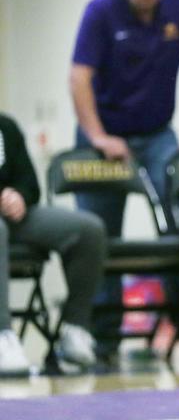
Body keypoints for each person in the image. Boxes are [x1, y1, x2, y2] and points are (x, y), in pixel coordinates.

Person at [69, 0, 179, 360]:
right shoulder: (101, 11)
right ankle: (103, 337)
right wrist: (97, 135)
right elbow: (80, 77)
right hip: (104, 137)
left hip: (157, 134)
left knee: (177, 220)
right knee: (98, 231)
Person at [0, 112, 107, 373]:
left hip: (15, 217)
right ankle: (3, 335)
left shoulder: (6, 126)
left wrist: (19, 196)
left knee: (88, 230)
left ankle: (75, 329)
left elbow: (29, 184)